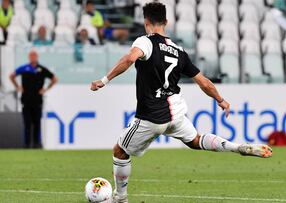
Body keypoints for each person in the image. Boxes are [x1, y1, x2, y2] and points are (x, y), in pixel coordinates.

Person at [90, 2, 272, 203]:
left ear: (146, 21)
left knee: (120, 152)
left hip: (151, 115)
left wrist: (104, 80)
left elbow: (129, 58)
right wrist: (220, 100)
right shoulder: (178, 50)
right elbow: (203, 81)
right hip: (175, 112)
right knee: (195, 140)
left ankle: (120, 199)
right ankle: (237, 147)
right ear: (166, 21)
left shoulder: (145, 42)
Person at [9, 50, 57, 148]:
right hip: (26, 99)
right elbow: (11, 76)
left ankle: (36, 144)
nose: (33, 57)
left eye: (34, 55)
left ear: (37, 57)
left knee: (37, 123)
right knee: (27, 123)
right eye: (31, 55)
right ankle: (26, 144)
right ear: (29, 57)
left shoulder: (42, 69)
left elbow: (54, 79)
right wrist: (17, 86)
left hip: (37, 100)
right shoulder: (24, 68)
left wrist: (46, 89)